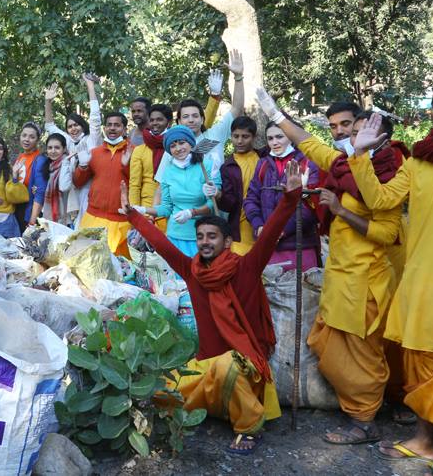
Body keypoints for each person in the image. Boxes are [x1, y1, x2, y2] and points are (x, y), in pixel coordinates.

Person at [122, 160, 304, 455]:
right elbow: (162, 245)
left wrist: (291, 198)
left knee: (227, 364)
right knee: (159, 389)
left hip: (244, 366)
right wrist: (133, 215)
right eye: (200, 237)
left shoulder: (246, 267)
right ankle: (211, 408)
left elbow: (270, 234)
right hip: (206, 366)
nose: (204, 242)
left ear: (227, 241)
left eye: (212, 236)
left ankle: (249, 427)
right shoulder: (192, 270)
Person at [256, 89, 405, 445]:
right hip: (339, 277)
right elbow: (308, 142)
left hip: (366, 282)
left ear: (382, 139)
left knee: (362, 354)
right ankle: (362, 408)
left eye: (360, 133)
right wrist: (275, 115)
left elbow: (387, 234)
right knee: (325, 344)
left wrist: (340, 211)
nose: (350, 138)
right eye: (352, 133)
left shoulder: (390, 175)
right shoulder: (342, 163)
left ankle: (365, 421)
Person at [348, 98, 433, 471]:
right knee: (420, 358)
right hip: (424, 281)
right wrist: (361, 155)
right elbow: (381, 199)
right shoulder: (417, 161)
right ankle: (426, 442)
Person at [155, 52, 245, 184]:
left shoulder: (214, 135)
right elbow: (162, 183)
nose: (191, 120)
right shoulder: (174, 147)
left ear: (202, 119)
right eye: (186, 117)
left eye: (195, 116)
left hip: (217, 195)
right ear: (179, 121)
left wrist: (238, 77)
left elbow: (237, 108)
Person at [131, 126, 221, 257]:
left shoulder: (206, 166)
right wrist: (143, 210)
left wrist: (192, 212)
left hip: (203, 236)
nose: (178, 148)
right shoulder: (168, 171)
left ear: (190, 143)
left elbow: (212, 204)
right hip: (175, 236)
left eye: (182, 143)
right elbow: (166, 208)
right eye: (173, 146)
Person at [243, 121, 321, 270]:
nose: (274, 142)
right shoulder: (263, 165)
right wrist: (259, 225)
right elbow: (251, 199)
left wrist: (279, 230)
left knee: (303, 285)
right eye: (270, 138)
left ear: (291, 137)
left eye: (279, 137)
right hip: (267, 246)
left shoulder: (308, 163)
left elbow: (312, 205)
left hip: (300, 246)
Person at [43, 78, 101, 224]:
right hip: (73, 193)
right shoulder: (68, 141)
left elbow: (95, 117)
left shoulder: (91, 139)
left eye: (76, 125)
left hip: (92, 190)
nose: (73, 129)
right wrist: (48, 102)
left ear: (83, 125)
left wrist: (90, 86)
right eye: (69, 126)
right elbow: (50, 126)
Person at [73, 112, 132, 254]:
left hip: (121, 220)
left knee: (117, 264)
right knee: (86, 259)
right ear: (104, 128)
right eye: (109, 125)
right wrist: (82, 166)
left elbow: (137, 183)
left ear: (125, 129)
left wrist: (126, 166)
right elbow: (78, 182)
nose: (112, 128)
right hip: (92, 217)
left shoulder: (133, 151)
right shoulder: (95, 153)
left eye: (117, 125)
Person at [218, 117, 262, 255]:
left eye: (245, 136)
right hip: (241, 227)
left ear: (254, 137)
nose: (240, 141)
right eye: (236, 136)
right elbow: (228, 205)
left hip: (265, 221)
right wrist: (219, 196)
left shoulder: (264, 157)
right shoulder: (227, 167)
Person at [129, 103, 172, 230]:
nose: (155, 123)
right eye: (152, 120)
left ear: (169, 122)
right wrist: (135, 213)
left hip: (174, 208)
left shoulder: (176, 148)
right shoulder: (140, 150)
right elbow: (134, 185)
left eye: (159, 119)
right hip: (147, 209)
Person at [31, 133, 74, 226]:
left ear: (64, 149)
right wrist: (36, 190)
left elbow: (64, 187)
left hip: (66, 217)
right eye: (50, 148)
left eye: (57, 148)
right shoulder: (49, 166)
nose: (53, 151)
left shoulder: (69, 164)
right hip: (50, 217)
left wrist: (65, 163)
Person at [13, 122, 47, 231]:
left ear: (37, 140)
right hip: (17, 208)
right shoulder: (20, 157)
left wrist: (32, 221)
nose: (27, 139)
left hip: (29, 210)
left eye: (32, 137)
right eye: (24, 135)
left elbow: (40, 192)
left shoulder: (40, 160)